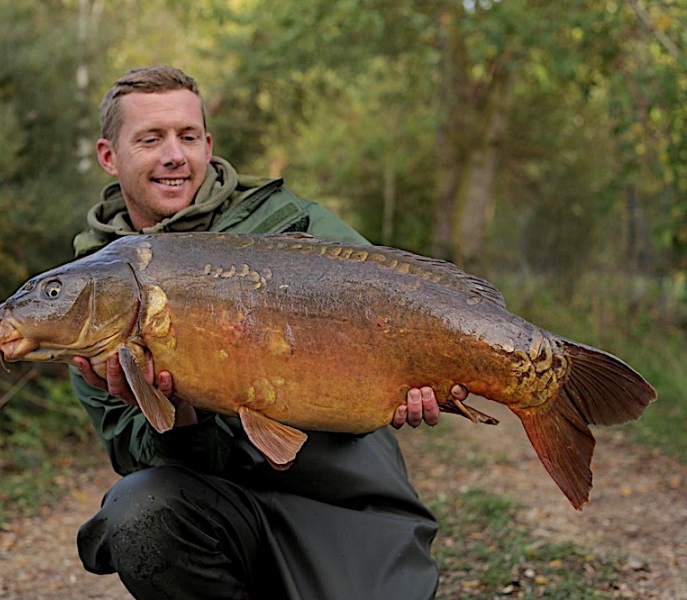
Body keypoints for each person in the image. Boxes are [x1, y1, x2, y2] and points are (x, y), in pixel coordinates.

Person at [68, 65, 463, 600]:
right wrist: (176, 415)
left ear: (207, 145)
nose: (173, 155)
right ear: (109, 155)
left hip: (340, 495)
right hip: (220, 509)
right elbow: (141, 458)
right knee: (141, 509)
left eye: (187, 136)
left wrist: (424, 374)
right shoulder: (91, 294)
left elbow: (395, 301)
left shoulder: (288, 224)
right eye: (150, 138)